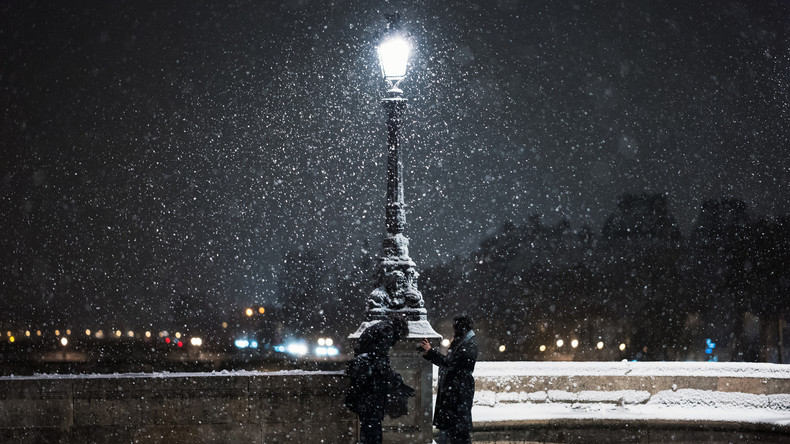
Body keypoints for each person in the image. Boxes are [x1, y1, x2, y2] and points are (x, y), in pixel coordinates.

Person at [345, 314, 413, 444]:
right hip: (371, 386)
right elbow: (380, 360)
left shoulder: (377, 328)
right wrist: (396, 379)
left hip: (363, 383)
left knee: (367, 424)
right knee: (373, 424)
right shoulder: (386, 330)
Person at [418, 314, 478, 444]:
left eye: (455, 328)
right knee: (455, 430)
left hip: (458, 393)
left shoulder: (467, 345)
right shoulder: (464, 342)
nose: (453, 331)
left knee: (457, 431)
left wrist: (430, 352)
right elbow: (449, 363)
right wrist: (430, 353)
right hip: (457, 392)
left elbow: (450, 363)